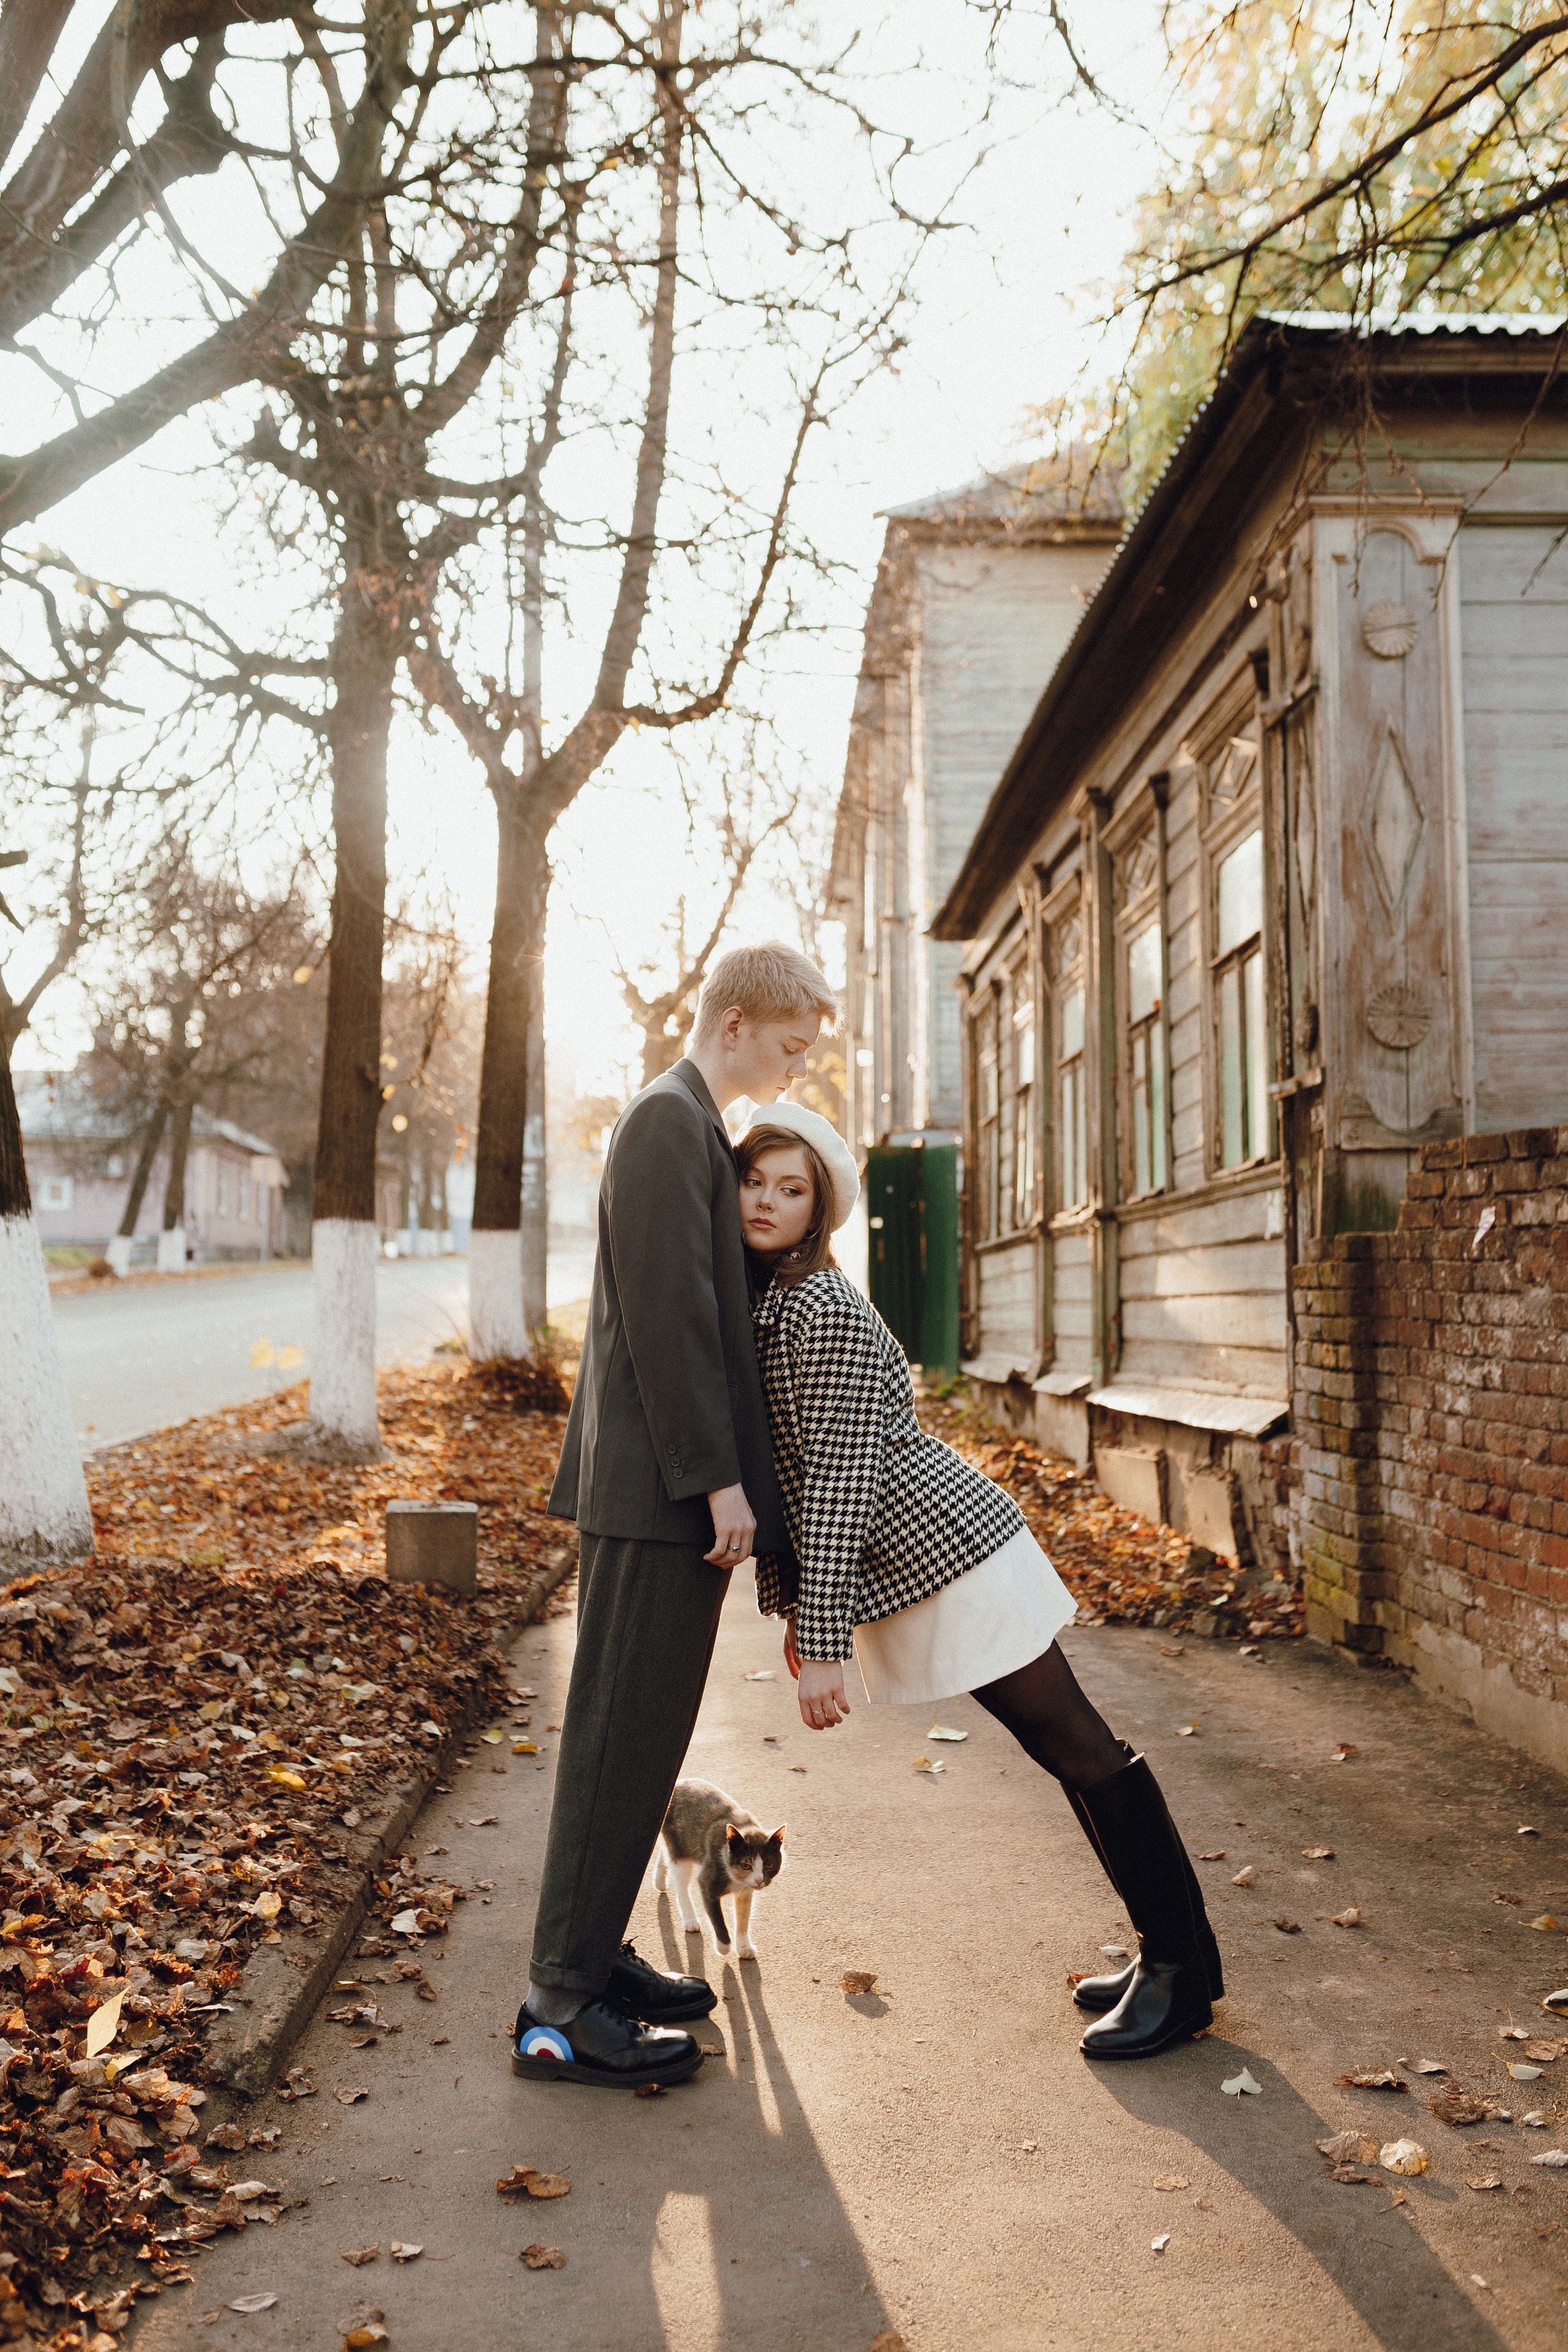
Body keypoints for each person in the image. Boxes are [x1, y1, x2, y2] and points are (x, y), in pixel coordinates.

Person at [736, 1103, 1223, 2060]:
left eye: (791, 1189)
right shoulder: (778, 1298)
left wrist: (824, 1642)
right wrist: (803, 1608)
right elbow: (807, 1474)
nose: (767, 1200)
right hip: (922, 1563)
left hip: (949, 1558)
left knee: (1081, 1746)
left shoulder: (818, 1307)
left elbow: (837, 1479)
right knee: (1071, 1751)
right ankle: (1175, 1959)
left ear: (818, 1211)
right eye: (754, 1181)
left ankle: (1181, 1975)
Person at [513, 943, 839, 2092]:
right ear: (738, 1018)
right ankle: (561, 2000)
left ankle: (596, 1960)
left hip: (668, 1496)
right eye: (791, 1044)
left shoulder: (693, 1125)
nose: (796, 1067)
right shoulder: (666, 1121)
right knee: (615, 1738)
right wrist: (719, 1479)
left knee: (644, 1739)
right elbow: (667, 1323)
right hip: (660, 1495)